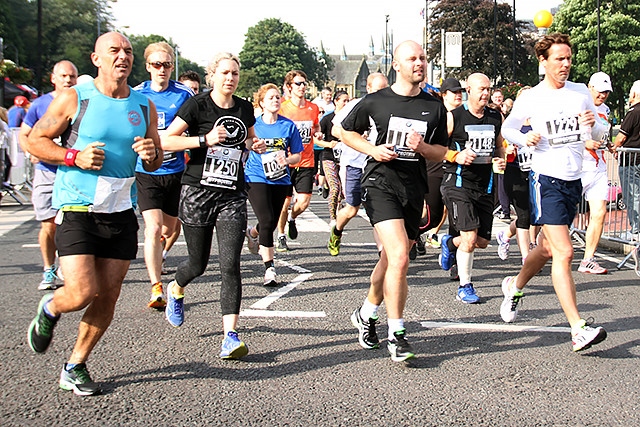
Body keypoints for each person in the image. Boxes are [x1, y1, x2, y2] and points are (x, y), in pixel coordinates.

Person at [25, 31, 162, 395]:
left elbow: (156, 155)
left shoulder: (143, 105)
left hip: (119, 210)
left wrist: (151, 153)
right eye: (114, 51)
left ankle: (75, 364)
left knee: (108, 296)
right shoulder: (75, 98)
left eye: (128, 51)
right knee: (81, 292)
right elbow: (34, 141)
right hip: (77, 207)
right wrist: (74, 157)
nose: (123, 57)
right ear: (96, 58)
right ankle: (52, 307)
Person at [499, 33, 608, 352]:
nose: (566, 64)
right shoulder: (531, 97)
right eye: (559, 59)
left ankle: (514, 286)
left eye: (569, 58)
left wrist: (594, 124)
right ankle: (578, 328)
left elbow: (599, 131)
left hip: (574, 180)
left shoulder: (579, 93)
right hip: (545, 179)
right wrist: (524, 138)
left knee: (546, 249)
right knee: (564, 252)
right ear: (543, 62)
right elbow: (508, 128)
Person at [341, 40, 448, 362]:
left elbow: (440, 150)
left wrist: (422, 148)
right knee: (400, 255)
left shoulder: (435, 106)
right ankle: (397, 334)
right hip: (379, 182)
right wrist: (373, 150)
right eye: (412, 58)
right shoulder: (375, 102)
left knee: (390, 259)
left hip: (412, 188)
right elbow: (345, 131)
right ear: (397, 65)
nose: (419, 63)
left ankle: (366, 313)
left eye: (423, 58)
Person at [162, 52, 260, 360]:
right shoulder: (197, 105)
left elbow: (249, 140)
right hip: (198, 191)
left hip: (231, 192)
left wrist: (252, 145)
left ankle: (230, 336)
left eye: (235, 73)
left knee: (230, 263)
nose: (230, 78)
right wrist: (204, 140)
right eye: (225, 73)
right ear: (212, 76)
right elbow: (167, 141)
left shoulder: (244, 108)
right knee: (198, 263)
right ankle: (176, 288)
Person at [133, 42, 194, 309]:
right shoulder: (136, 95)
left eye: (167, 65)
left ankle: (158, 251)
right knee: (153, 228)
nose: (162, 70)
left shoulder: (184, 94)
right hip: (146, 171)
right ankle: (156, 287)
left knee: (170, 229)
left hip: (175, 171)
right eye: (157, 65)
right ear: (148, 66)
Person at [438, 73, 505, 304]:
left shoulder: (496, 116)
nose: (486, 93)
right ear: (469, 89)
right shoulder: (453, 117)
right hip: (457, 182)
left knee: (482, 242)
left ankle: (448, 242)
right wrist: (456, 155)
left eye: (488, 89)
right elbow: (435, 148)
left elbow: (499, 146)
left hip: (484, 185)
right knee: (469, 237)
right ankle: (465, 286)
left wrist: (500, 159)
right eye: (481, 89)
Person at [18, 60, 78, 290]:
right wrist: (30, 150)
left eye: (72, 76)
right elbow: (24, 134)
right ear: (53, 78)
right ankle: (48, 269)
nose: (68, 80)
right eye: (63, 76)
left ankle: (68, 264)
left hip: (72, 172)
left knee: (71, 223)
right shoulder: (40, 104)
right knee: (49, 225)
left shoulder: (81, 102)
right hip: (46, 172)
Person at [245, 83, 303, 285]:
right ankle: (269, 268)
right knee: (268, 219)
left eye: (278, 97)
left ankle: (253, 233)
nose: (276, 100)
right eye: (270, 97)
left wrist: (287, 160)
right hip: (256, 176)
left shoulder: (288, 126)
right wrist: (253, 146)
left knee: (269, 220)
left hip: (280, 177)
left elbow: (297, 155)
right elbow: (245, 145)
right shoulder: (254, 125)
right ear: (261, 103)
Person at [327, 73, 389, 256]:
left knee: (378, 211)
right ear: (368, 89)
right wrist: (355, 136)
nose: (383, 94)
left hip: (377, 166)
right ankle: (337, 231)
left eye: (386, 89)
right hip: (354, 164)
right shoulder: (356, 106)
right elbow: (335, 129)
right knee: (352, 209)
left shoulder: (391, 107)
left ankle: (382, 252)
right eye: (379, 90)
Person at [417, 77, 465, 259]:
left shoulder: (465, 115)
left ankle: (454, 261)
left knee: (457, 217)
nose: (458, 95)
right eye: (454, 92)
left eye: (461, 92)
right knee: (433, 217)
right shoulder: (437, 114)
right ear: (444, 95)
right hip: (435, 167)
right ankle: (410, 234)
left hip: (457, 171)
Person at [275, 70, 321, 252]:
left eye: (304, 83)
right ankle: (280, 236)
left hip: (306, 160)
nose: (302, 87)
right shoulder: (282, 108)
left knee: (303, 202)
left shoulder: (313, 108)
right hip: (286, 161)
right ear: (289, 87)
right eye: (298, 84)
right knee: (284, 203)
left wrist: (317, 132)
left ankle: (292, 219)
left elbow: (316, 125)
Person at [576, 71, 613, 274]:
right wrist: (585, 143)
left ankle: (588, 259)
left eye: (606, 92)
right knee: (562, 215)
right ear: (590, 87)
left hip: (598, 167)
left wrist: (608, 145)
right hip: (577, 166)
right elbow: (567, 134)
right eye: (600, 91)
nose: (603, 95)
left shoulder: (606, 109)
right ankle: (542, 248)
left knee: (599, 212)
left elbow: (604, 133)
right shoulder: (578, 105)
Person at [613, 80, 640, 241]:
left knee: (632, 196)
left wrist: (615, 148)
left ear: (635, 94)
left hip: (630, 160)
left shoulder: (633, 112)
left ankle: (636, 230)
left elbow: (621, 137)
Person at [318, 90, 349, 227]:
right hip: (328, 156)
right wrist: (328, 144)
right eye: (344, 101)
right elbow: (316, 139)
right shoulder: (327, 119)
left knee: (343, 192)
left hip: (345, 158)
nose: (346, 104)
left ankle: (340, 212)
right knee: (335, 189)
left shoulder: (351, 118)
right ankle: (333, 218)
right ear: (336, 101)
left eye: (348, 101)